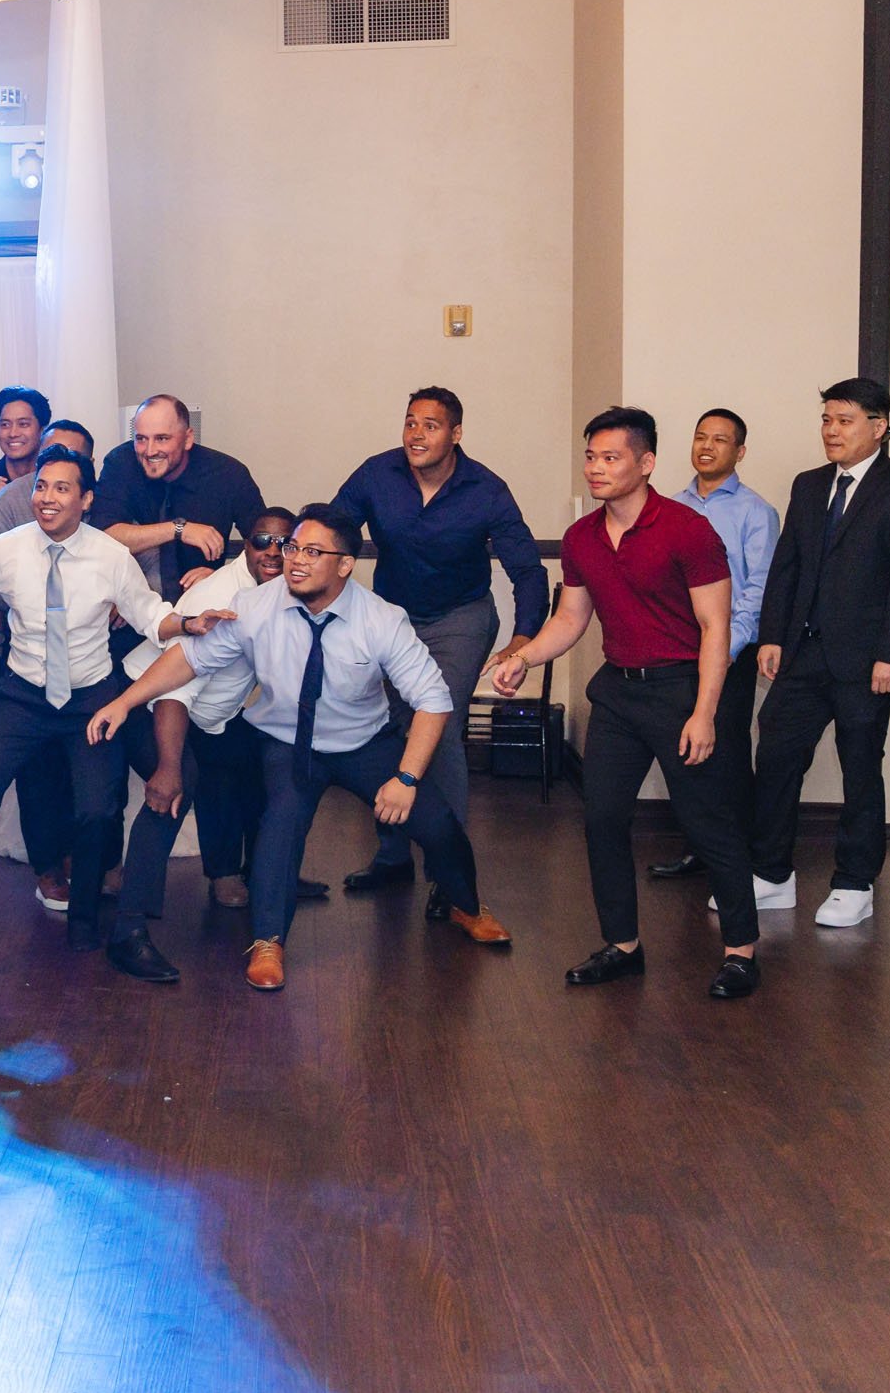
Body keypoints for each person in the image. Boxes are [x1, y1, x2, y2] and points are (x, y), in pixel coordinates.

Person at [94, 506, 508, 993]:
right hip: (288, 743)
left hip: (363, 744)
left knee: (438, 825)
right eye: (293, 549)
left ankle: (465, 904)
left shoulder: (382, 620)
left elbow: (434, 700)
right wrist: (124, 701)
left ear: (346, 565)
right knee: (278, 832)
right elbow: (188, 658)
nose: (294, 560)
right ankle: (268, 942)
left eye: (313, 551)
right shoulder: (256, 607)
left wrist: (406, 779)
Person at [0, 445, 210, 977]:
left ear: (86, 499)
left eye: (61, 488)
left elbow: (149, 616)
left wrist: (187, 624)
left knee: (95, 811)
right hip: (21, 696)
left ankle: (85, 919)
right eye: (42, 486)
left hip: (90, 698)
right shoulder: (5, 549)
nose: (46, 497)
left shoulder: (110, 555)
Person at [493, 407, 762, 999]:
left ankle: (741, 951)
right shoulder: (582, 538)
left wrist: (704, 712)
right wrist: (524, 657)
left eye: (610, 458)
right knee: (603, 817)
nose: (596, 468)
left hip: (680, 690)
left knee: (706, 821)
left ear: (646, 464)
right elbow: (572, 617)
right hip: (618, 692)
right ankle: (623, 946)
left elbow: (716, 627)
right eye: (591, 456)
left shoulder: (688, 530)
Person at [331, 387, 550, 913]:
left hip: (460, 618)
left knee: (438, 721)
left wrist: (524, 640)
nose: (416, 433)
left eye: (430, 425)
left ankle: (448, 875)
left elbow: (527, 568)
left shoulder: (486, 489)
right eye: (409, 422)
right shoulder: (376, 474)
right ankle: (392, 856)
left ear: (455, 434)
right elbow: (333, 530)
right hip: (392, 618)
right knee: (387, 726)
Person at [743, 378, 890, 930]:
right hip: (803, 653)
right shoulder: (809, 486)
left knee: (860, 768)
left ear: (878, 427)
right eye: (827, 419)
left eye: (844, 420)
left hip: (868, 662)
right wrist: (773, 636)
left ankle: (855, 883)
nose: (831, 430)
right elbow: (787, 566)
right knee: (777, 756)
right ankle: (772, 874)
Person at [107, 505, 292, 950]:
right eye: (261, 541)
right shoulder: (222, 599)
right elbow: (176, 690)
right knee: (176, 785)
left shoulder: (286, 592)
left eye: (284, 543)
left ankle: (258, 872)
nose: (272, 552)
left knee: (262, 762)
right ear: (244, 546)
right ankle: (130, 924)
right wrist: (167, 768)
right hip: (150, 703)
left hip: (209, 718)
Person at [649, 408, 780, 882]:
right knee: (684, 747)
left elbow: (759, 588)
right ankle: (699, 848)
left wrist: (728, 646)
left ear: (739, 451)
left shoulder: (755, 512)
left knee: (724, 751)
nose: (706, 446)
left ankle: (736, 856)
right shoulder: (666, 507)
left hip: (728, 651)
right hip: (676, 651)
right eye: (700, 436)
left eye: (720, 440)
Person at [0, 415, 96, 912]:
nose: (53, 488)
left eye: (72, 465)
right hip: (25, 664)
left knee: (92, 781)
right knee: (37, 774)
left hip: (91, 668)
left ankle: (93, 868)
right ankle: (48, 866)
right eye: (49, 466)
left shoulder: (104, 515)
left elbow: (141, 584)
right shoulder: (8, 505)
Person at [90, 395, 267, 599]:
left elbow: (266, 545)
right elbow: (101, 539)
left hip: (206, 602)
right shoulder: (121, 463)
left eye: (162, 438)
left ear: (188, 438)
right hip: (132, 602)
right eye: (141, 439)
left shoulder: (228, 475)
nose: (149, 451)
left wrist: (223, 577)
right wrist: (178, 529)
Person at [0, 386, 52, 496]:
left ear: (43, 429)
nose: (13, 433)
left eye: (23, 424)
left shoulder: (56, 478)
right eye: (5, 425)